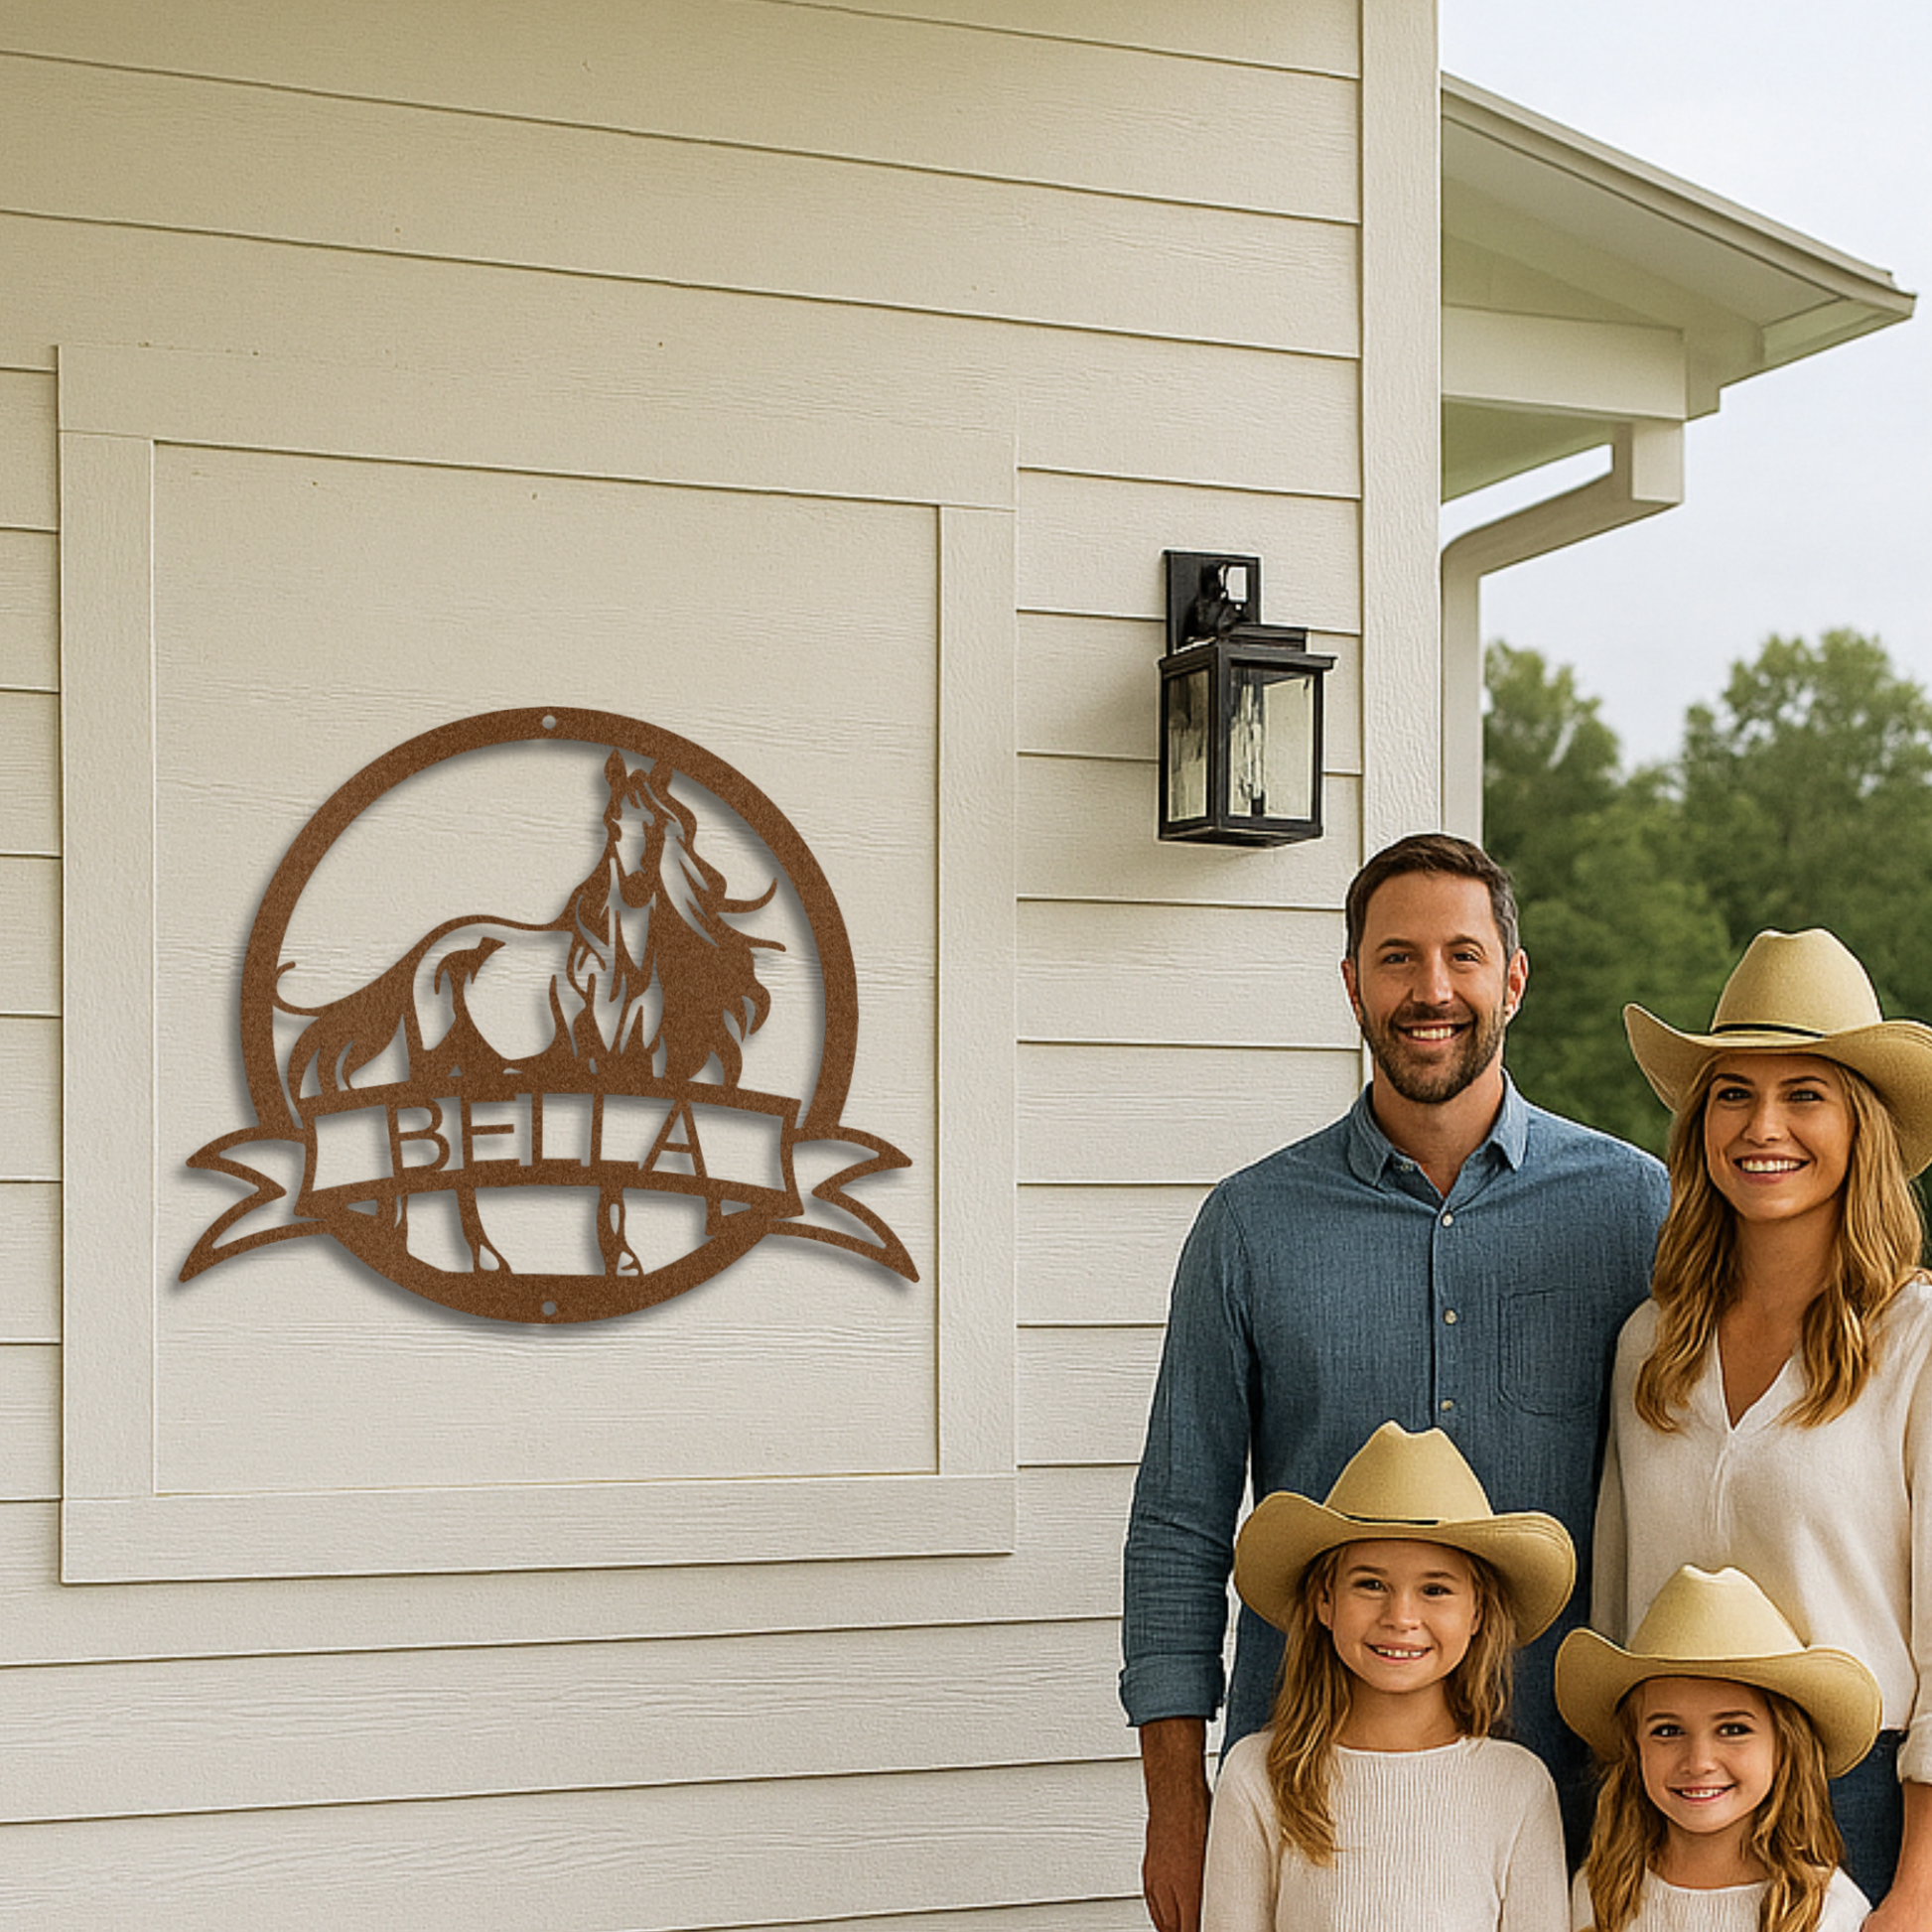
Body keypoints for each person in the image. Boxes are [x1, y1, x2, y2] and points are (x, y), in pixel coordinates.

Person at [1122, 832, 1670, 1932]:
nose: (1431, 990)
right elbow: (1179, 1524)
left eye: (1463, 955)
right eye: (1396, 958)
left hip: (1579, 1788)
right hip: (1306, 1803)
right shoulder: (1250, 1225)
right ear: (1350, 984)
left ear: (1512, 980)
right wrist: (1175, 1804)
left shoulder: (1632, 1208)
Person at [1595, 926, 1932, 1925]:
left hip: (1857, 1807)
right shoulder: (1649, 1342)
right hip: (1667, 1802)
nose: (1762, 1126)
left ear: (1861, 1124)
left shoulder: (1915, 1341)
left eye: (1805, 1094)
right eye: (1733, 1092)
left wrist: (1918, 1888)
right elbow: (1616, 1600)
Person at [1202, 1422, 1573, 1931]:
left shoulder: (1519, 1785)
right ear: (1325, 1599)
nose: (1401, 1617)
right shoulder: (1257, 1776)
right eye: (1371, 1584)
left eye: (1435, 1590)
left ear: (1478, 1612)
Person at [1558, 1564, 1878, 1932]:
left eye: (1733, 1729)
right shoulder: (1601, 1892)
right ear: (1634, 1748)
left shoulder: (1824, 1908)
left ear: (1785, 1746)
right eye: (1667, 1731)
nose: (1699, 1762)